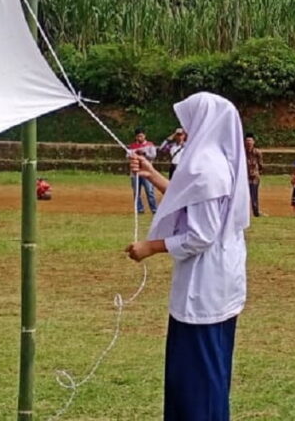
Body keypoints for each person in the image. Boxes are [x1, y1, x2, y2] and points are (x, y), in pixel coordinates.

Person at [124, 92, 248, 421]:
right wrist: (152, 175)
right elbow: (191, 198)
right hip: (220, 281)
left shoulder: (206, 165)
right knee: (204, 371)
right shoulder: (216, 158)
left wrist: (150, 247)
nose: (183, 127)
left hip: (205, 287)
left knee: (197, 377)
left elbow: (201, 235)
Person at [128, 128, 159, 213]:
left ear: (144, 136)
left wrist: (145, 153)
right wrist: (135, 153)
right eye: (138, 136)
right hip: (135, 172)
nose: (140, 138)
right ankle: (139, 209)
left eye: (141, 136)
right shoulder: (132, 146)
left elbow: (153, 155)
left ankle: (154, 209)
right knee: (136, 192)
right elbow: (128, 155)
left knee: (149, 191)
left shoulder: (150, 145)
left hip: (147, 171)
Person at [244, 133, 263, 217]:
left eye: (250, 140)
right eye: (247, 141)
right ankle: (245, 213)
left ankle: (256, 212)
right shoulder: (242, 152)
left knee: (254, 195)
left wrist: (257, 173)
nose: (249, 142)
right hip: (244, 177)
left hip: (254, 177)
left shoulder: (257, 152)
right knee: (243, 195)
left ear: (253, 142)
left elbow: (260, 164)